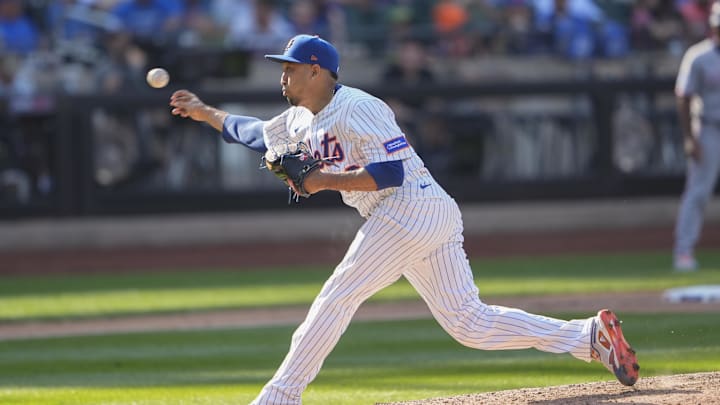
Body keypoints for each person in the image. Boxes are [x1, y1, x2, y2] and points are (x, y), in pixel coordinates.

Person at [169, 34, 640, 404]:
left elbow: (389, 173)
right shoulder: (296, 120)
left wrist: (322, 181)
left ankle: (279, 396)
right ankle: (586, 336)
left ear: (317, 71)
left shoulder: (359, 106)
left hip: (408, 206)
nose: (283, 77)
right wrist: (205, 112)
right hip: (418, 214)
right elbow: (252, 132)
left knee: (338, 295)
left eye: (290, 69)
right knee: (469, 324)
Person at [672, 2, 720, 272]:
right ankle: (684, 252)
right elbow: (683, 97)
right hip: (709, 127)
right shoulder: (699, 56)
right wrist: (690, 137)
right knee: (698, 192)